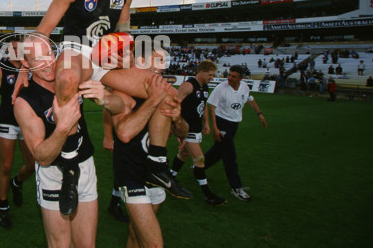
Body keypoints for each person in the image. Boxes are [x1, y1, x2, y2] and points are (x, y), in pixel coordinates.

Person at [14, 0, 185, 213]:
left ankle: (157, 163)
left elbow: (124, 32)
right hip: (76, 50)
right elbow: (45, 28)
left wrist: (127, 54)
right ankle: (69, 167)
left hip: (107, 56)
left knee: (164, 89)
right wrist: (22, 67)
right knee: (67, 80)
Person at [14, 34, 120, 247]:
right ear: (25, 64)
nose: (49, 63)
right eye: (38, 59)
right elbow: (42, 157)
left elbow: (121, 106)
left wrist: (105, 98)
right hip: (53, 173)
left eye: (49, 54)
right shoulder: (25, 102)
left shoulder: (72, 75)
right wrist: (62, 128)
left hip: (85, 165)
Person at [110, 50, 184, 247]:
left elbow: (184, 133)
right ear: (141, 61)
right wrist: (153, 100)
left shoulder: (167, 92)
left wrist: (177, 119)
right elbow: (124, 133)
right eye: (158, 60)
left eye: (165, 61)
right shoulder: (122, 92)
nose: (164, 66)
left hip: (156, 176)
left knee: (135, 235)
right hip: (131, 172)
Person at [0, 39, 34, 229]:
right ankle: (3, 205)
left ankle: (17, 182)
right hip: (7, 121)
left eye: (18, 48)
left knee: (31, 164)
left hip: (28, 123)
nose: (14, 50)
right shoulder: (1, 68)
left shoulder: (30, 68)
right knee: (6, 165)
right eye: (11, 48)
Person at [204, 65, 267, 202]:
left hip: (234, 123)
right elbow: (211, 108)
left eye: (234, 76)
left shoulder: (244, 86)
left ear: (241, 78)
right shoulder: (221, 88)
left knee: (218, 150)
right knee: (230, 155)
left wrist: (259, 113)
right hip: (222, 122)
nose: (230, 78)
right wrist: (215, 128)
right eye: (229, 75)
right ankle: (236, 188)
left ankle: (199, 166)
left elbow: (250, 99)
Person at [170, 60, 227, 206]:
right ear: (201, 72)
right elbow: (175, 104)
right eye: (210, 74)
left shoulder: (205, 86)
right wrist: (177, 127)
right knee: (199, 159)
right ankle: (208, 194)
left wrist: (206, 123)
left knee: (184, 154)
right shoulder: (188, 85)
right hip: (187, 129)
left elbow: (203, 105)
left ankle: (170, 178)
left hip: (196, 128)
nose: (212, 77)